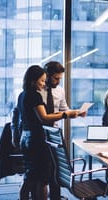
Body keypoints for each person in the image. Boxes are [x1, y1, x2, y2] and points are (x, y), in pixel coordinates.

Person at [17, 65, 78, 200]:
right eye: (42, 81)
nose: (44, 84)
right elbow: (44, 118)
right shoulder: (34, 95)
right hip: (37, 140)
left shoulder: (22, 95)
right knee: (43, 179)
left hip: (26, 137)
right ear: (33, 80)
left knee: (29, 176)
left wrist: (63, 113)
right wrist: (64, 115)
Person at [41, 61, 86, 200]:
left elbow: (64, 109)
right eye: (56, 78)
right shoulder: (38, 89)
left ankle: (55, 196)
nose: (58, 81)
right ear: (47, 75)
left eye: (60, 78)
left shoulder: (60, 90)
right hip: (39, 134)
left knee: (57, 169)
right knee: (42, 172)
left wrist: (77, 112)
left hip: (54, 134)